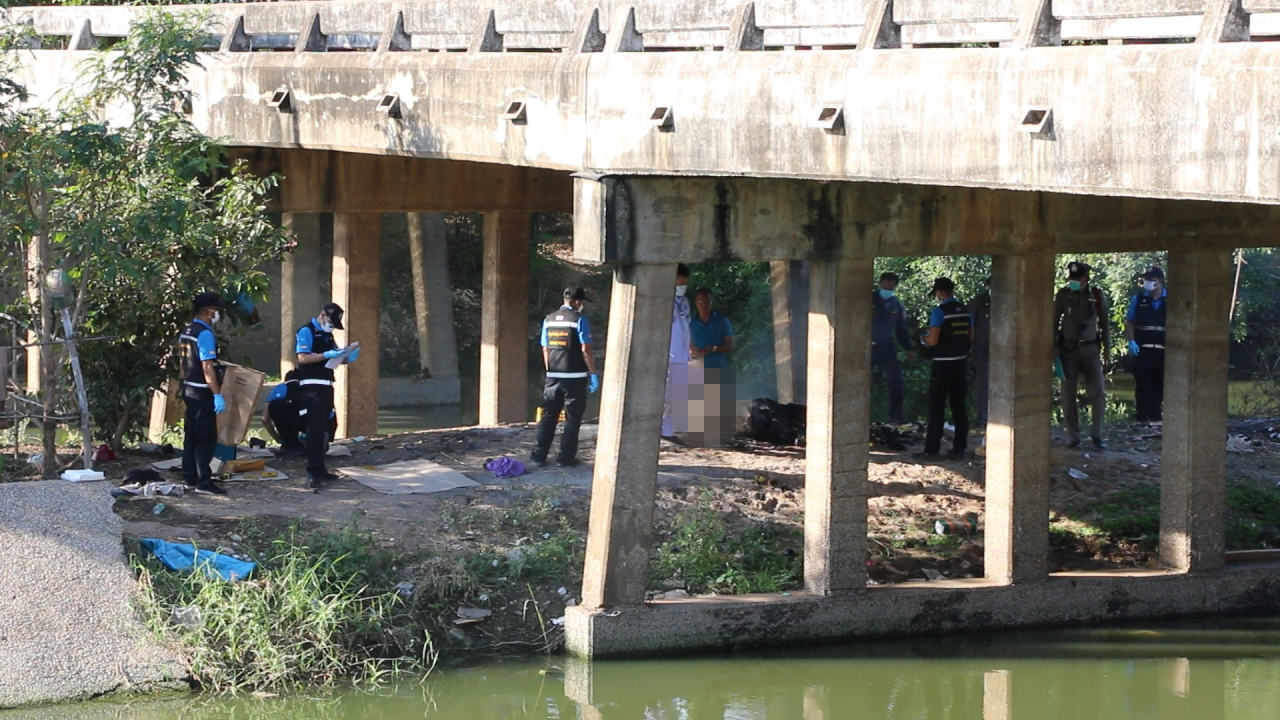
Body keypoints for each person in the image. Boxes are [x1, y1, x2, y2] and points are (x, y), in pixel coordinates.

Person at [295, 302, 359, 490]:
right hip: (311, 386)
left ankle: (320, 467)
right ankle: (312, 471)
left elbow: (333, 356)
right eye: (331, 323)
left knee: (326, 426)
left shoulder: (327, 335)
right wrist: (326, 354)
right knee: (315, 428)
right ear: (322, 315)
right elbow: (302, 358)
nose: (331, 327)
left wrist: (346, 356)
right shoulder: (306, 331)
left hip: (326, 384)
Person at [532, 287, 599, 468]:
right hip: (575, 377)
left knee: (548, 417)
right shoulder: (579, 320)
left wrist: (549, 370)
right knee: (572, 419)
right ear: (577, 302)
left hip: (553, 377)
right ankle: (565, 458)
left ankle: (539, 456)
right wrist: (593, 373)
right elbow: (585, 349)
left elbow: (545, 349)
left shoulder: (548, 319)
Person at [1054, 262, 1111, 450]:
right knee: (1068, 394)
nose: (1074, 281)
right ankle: (1074, 437)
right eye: (1071, 278)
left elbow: (1104, 323)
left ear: (1085, 278)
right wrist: (1053, 348)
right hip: (1068, 351)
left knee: (1098, 392)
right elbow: (1053, 322)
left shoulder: (1097, 295)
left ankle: (1097, 436)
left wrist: (1107, 351)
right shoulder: (1063, 295)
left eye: (1077, 278)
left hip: (1091, 350)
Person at [918, 278, 973, 460]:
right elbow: (970, 338)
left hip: (942, 364)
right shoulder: (966, 310)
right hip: (960, 363)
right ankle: (959, 450)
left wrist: (922, 339)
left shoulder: (939, 312)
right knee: (959, 407)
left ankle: (931, 451)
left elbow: (933, 340)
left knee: (936, 407)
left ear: (940, 292)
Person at [179, 292, 228, 495]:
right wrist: (216, 394)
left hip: (188, 387)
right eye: (216, 310)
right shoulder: (204, 334)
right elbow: (207, 366)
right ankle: (204, 481)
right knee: (205, 436)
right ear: (209, 311)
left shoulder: (187, 331)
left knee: (191, 434)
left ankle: (190, 477)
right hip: (201, 390)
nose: (217, 314)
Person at [689, 287, 735, 445]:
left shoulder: (721, 321)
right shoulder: (690, 321)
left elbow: (731, 345)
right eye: (700, 301)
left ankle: (716, 440)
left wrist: (714, 349)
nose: (704, 304)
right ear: (696, 303)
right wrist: (692, 350)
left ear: (711, 302)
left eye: (707, 301)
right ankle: (698, 440)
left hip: (717, 366)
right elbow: (685, 343)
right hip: (696, 366)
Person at [1125, 265, 1167, 424]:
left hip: (1163, 350)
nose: (1148, 282)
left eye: (1151, 279)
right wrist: (1131, 341)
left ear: (1160, 280)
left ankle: (1156, 415)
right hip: (1143, 349)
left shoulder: (1170, 299)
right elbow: (1130, 321)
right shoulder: (1138, 299)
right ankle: (1142, 416)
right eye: (1146, 279)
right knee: (1143, 384)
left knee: (1159, 384)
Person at [871, 272, 915, 423]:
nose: (888, 289)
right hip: (867, 345)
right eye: (886, 286)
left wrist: (908, 348)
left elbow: (901, 329)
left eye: (891, 287)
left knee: (896, 380)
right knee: (859, 380)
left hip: (886, 345)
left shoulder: (896, 304)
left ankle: (896, 416)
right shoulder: (869, 299)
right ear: (880, 284)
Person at [261, 370, 337, 457]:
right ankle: (316, 439)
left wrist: (279, 439)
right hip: (327, 422)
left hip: (302, 420)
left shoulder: (281, 387)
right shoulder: (314, 387)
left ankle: (292, 446)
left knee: (275, 405)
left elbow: (265, 419)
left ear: (286, 380)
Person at [662, 264, 693, 443]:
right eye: (680, 284)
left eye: (684, 284)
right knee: (666, 395)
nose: (682, 287)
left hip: (682, 355)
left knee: (678, 394)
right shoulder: (663, 301)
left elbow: (686, 327)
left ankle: (669, 429)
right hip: (668, 355)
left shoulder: (684, 302)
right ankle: (663, 430)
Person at [970, 280, 991, 426]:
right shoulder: (980, 301)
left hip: (1004, 349)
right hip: (981, 348)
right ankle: (981, 417)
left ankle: (998, 415)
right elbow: (970, 323)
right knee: (983, 380)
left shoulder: (1008, 300)